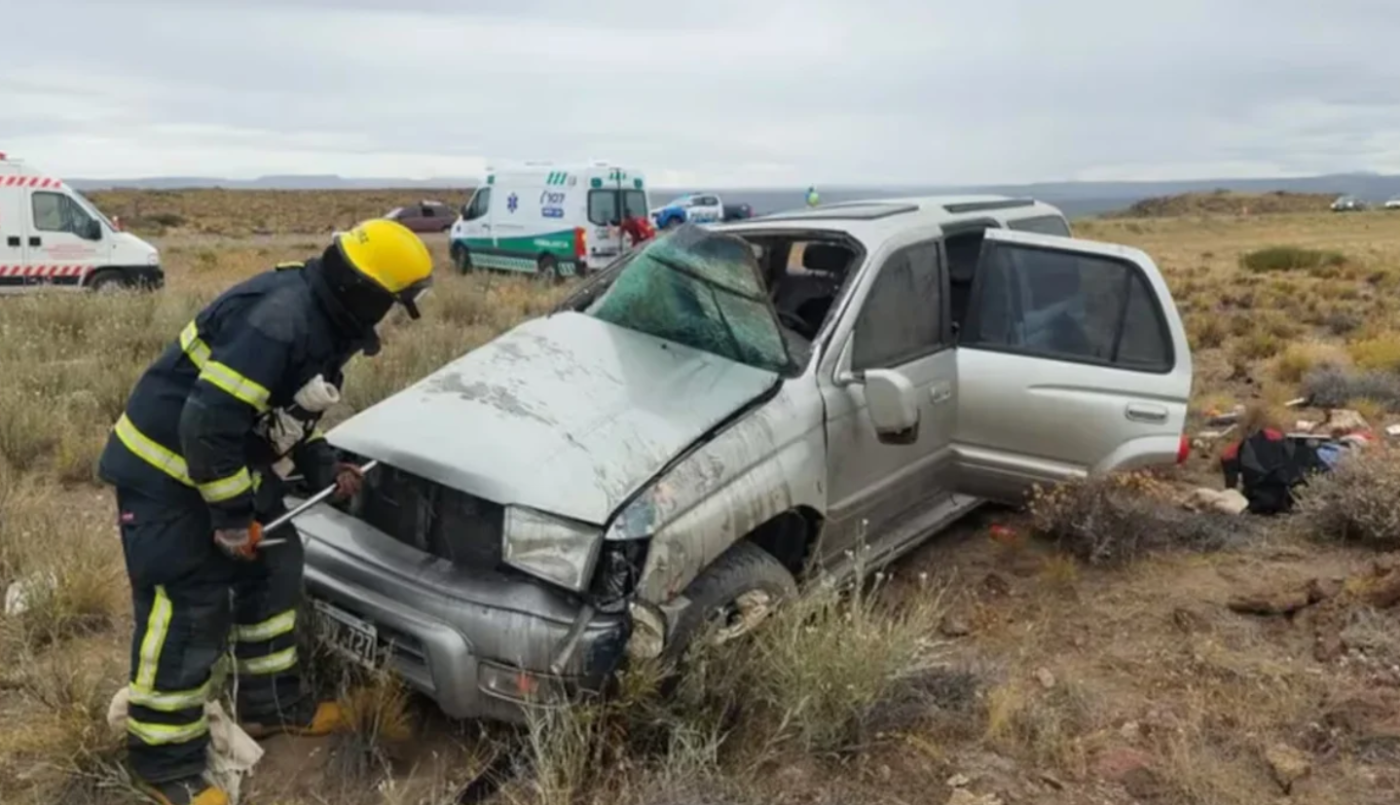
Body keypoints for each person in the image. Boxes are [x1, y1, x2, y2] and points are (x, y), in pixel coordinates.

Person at [97, 219, 434, 805]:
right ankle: (164, 764)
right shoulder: (277, 322)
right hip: (165, 476)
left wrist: (324, 467)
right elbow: (206, 423)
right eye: (392, 304)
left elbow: (282, 412)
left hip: (221, 465)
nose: (389, 319)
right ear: (368, 291)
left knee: (276, 564)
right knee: (189, 606)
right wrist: (230, 519)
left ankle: (273, 705)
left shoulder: (324, 319)